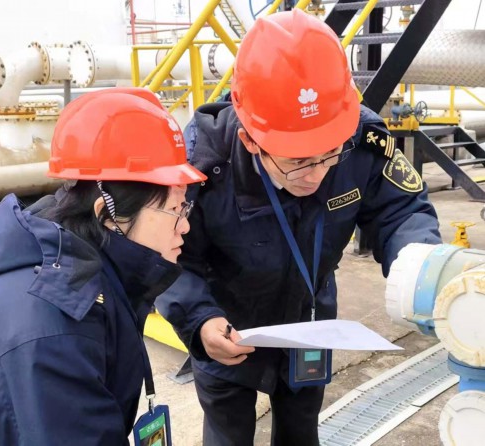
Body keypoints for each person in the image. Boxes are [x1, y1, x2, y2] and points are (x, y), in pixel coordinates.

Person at [156, 9, 442, 446]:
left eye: (329, 154)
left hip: (310, 323)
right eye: (297, 161)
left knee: (301, 432)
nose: (317, 174)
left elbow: (401, 210)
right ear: (251, 139)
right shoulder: (203, 164)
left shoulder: (359, 140)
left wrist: (424, 270)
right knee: (228, 434)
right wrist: (199, 321)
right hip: (226, 326)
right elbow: (168, 256)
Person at [0, 87, 206, 444]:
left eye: (185, 207)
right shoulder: (54, 328)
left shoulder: (86, 271)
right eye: (173, 209)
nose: (185, 225)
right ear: (108, 215)